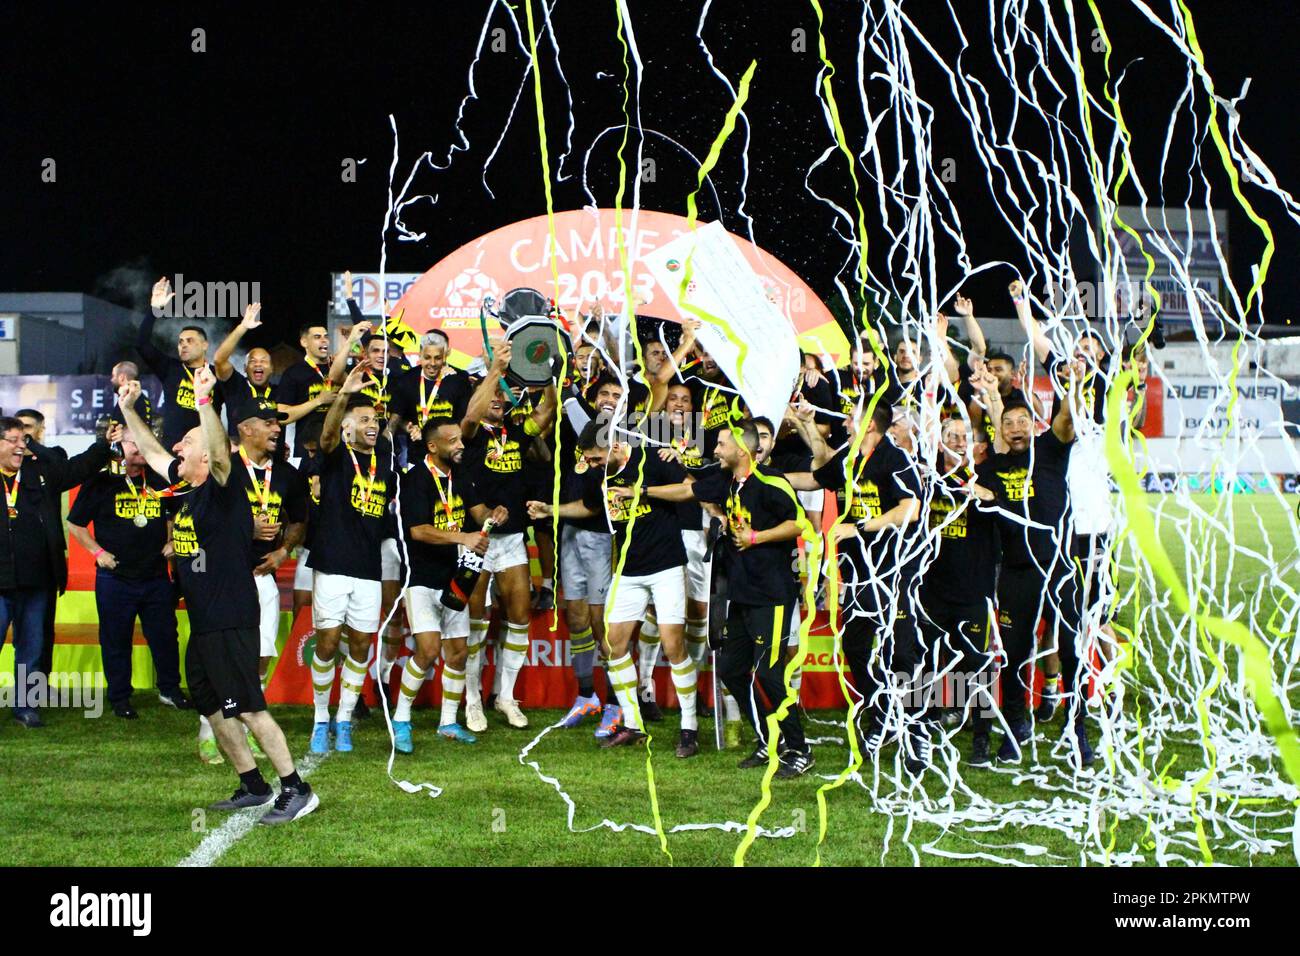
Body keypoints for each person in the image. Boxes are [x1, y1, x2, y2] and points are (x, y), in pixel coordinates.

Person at [117, 373, 318, 824]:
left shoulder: (223, 488)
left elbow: (220, 455)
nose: (176, 449)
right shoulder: (186, 489)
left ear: (205, 454)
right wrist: (130, 409)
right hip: (205, 619)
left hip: (231, 615)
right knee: (211, 703)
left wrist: (206, 400)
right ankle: (253, 784)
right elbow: (151, 452)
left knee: (247, 705)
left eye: (185, 443)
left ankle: (297, 788)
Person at [635, 423, 811, 775]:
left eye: (720, 444)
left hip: (772, 594)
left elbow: (799, 524)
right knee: (731, 669)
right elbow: (687, 492)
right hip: (741, 594)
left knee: (769, 674)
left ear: (741, 451)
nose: (715, 450)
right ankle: (767, 741)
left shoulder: (772, 483)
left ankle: (800, 750)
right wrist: (641, 490)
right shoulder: (727, 482)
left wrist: (757, 536)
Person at [527, 417, 700, 758]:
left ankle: (689, 728)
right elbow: (590, 506)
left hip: (666, 566)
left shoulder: (653, 459)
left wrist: (642, 491)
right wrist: (552, 510)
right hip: (628, 570)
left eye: (595, 458)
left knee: (673, 644)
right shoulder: (599, 475)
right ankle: (633, 724)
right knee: (613, 643)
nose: (590, 466)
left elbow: (691, 488)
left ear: (616, 446)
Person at [786, 401, 929, 772]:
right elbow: (818, 476)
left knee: (902, 652)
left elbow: (909, 509)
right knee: (855, 645)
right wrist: (771, 477)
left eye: (854, 416)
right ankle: (883, 712)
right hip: (862, 572)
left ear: (870, 426)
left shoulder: (893, 458)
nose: (846, 419)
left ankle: (916, 734)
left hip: (895, 569)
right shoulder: (851, 456)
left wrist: (860, 527)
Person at [977, 337, 1090, 767]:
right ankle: (1013, 728)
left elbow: (1065, 416)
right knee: (1014, 653)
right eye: (1010, 423)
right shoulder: (996, 467)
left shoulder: (1050, 451)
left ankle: (1076, 728)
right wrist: (979, 492)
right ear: (1001, 432)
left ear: (1032, 423)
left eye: (1024, 421)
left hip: (1059, 567)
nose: (1017, 427)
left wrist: (1074, 385)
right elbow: (975, 488)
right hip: (1017, 574)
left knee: (1072, 650)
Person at [459, 342, 556, 732]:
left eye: (503, 394)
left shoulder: (516, 428)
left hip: (514, 537)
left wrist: (548, 370)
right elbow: (470, 413)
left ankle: (504, 696)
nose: (499, 399)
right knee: (477, 621)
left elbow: (547, 412)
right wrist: (495, 371)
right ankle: (471, 700)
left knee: (518, 618)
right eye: (493, 394)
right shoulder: (469, 432)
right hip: (480, 539)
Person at [1, 417, 117, 727]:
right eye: (12, 440)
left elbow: (77, 466)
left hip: (37, 579)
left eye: (23, 439)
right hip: (0, 580)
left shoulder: (41, 470)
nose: (19, 446)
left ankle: (25, 707)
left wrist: (103, 445)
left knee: (32, 647)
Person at [67, 431, 191, 719]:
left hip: (156, 576)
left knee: (164, 636)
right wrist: (98, 554)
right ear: (118, 447)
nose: (139, 448)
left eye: (142, 442)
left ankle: (169, 689)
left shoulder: (160, 479)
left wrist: (173, 540)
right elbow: (75, 524)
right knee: (115, 639)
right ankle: (120, 696)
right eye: (132, 442)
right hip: (115, 578)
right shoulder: (100, 481)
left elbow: (177, 511)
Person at [305, 362, 395, 754]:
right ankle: (320, 719)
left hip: (368, 570)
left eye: (375, 419)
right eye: (363, 419)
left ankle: (344, 719)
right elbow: (325, 436)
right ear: (347, 426)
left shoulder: (386, 469)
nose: (372, 424)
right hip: (331, 565)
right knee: (326, 644)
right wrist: (343, 396)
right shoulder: (336, 455)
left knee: (360, 645)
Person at [391, 417, 484, 752]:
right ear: (433, 446)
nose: (460, 445)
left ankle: (448, 722)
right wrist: (464, 537)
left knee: (457, 653)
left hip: (454, 577)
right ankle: (401, 718)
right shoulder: (415, 479)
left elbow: (477, 511)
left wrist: (494, 516)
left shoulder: (461, 475)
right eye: (453, 440)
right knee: (428, 651)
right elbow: (418, 531)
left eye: (460, 439)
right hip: (421, 579)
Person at [918, 416, 1000, 765]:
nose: (955, 440)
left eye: (962, 436)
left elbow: (1000, 503)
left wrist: (981, 494)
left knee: (977, 665)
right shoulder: (927, 479)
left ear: (975, 445)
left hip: (973, 592)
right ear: (938, 441)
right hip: (931, 590)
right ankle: (919, 728)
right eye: (949, 435)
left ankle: (981, 738)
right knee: (922, 661)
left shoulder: (985, 476)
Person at [228, 397, 308, 686]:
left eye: (277, 422)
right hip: (226, 575)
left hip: (263, 572)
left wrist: (284, 552)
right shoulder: (225, 469)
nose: (277, 428)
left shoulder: (288, 474)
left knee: (263, 650)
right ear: (246, 429)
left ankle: (254, 710)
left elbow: (300, 519)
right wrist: (244, 528)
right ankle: (211, 720)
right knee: (224, 649)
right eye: (269, 423)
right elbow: (205, 519)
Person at [212, 303, 335, 437]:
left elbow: (288, 416)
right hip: (241, 455)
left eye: (264, 361)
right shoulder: (236, 386)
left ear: (272, 368)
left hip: (274, 456)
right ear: (245, 368)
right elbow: (219, 359)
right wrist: (243, 327)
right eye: (253, 361)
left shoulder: (279, 392)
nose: (258, 364)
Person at [136, 277, 224, 447]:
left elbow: (236, 405)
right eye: (180, 342)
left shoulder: (216, 374)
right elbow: (142, 344)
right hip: (174, 450)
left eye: (190, 341)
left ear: (205, 345)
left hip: (206, 450)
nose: (183, 345)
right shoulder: (170, 368)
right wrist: (154, 310)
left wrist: (234, 440)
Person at [277, 321, 337, 460]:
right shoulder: (293, 373)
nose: (324, 340)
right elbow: (282, 416)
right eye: (317, 337)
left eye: (326, 336)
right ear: (304, 342)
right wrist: (318, 401)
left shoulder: (337, 369)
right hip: (308, 451)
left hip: (338, 448)